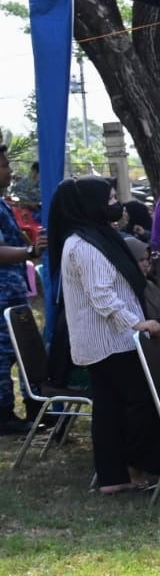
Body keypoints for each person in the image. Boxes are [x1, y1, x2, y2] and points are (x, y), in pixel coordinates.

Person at [51, 177, 160, 492]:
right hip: (111, 340)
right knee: (142, 401)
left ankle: (115, 478)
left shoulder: (95, 237)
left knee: (111, 408)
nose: (117, 205)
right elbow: (101, 296)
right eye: (111, 199)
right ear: (93, 205)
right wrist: (135, 323)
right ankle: (133, 470)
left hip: (111, 339)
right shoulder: (83, 245)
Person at [0, 145, 40, 433]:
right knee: (2, 354)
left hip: (12, 290)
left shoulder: (3, 203)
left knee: (23, 348)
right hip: (2, 293)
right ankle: (4, 415)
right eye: (4, 165)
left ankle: (35, 408)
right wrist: (29, 251)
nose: (10, 170)